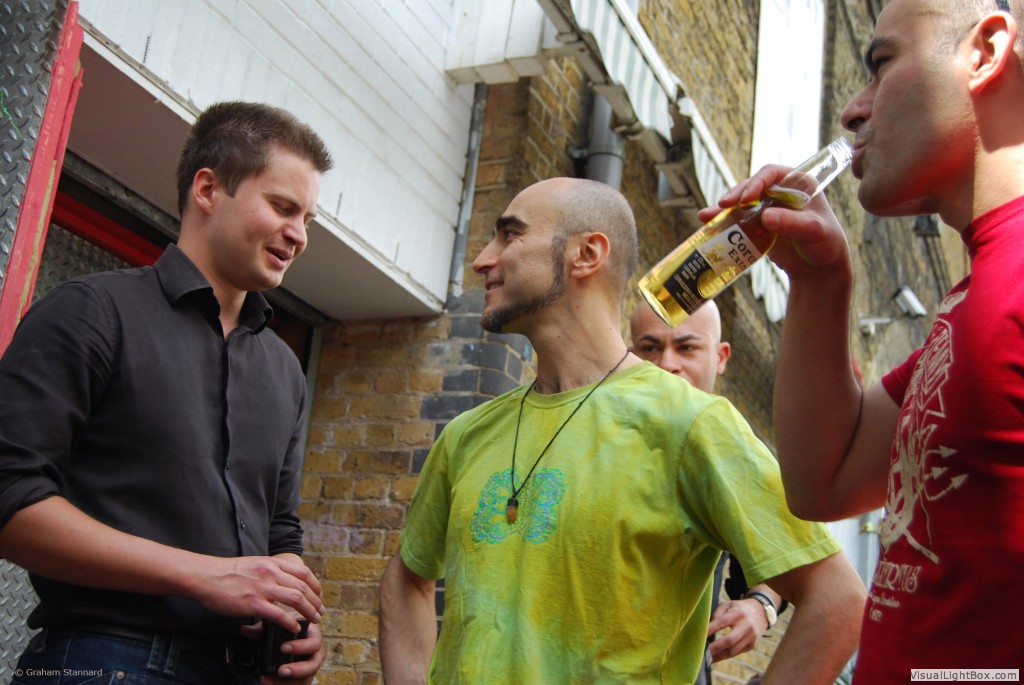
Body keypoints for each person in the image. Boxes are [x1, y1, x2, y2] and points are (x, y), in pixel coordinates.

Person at [378, 176, 865, 684]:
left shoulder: (691, 424)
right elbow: (407, 580)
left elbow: (837, 601)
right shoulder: (465, 435)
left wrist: (761, 605)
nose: (483, 259)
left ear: (586, 254)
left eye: (510, 235)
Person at [703, 0, 1024, 681]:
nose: (852, 110)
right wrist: (820, 280)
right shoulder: (973, 297)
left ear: (986, 51)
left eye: (882, 64)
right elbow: (824, 482)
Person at [0, 101, 334, 684]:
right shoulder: (92, 312)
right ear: (207, 189)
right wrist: (208, 576)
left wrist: (291, 617)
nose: (299, 235)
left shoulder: (285, 369)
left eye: (308, 218)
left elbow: (280, 529)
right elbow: (8, 496)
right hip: (102, 661)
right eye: (283, 207)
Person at [629, 302, 787, 684]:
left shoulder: (735, 457)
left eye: (686, 348)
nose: (667, 364)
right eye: (650, 348)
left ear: (721, 357)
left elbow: (794, 567)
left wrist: (761, 607)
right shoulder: (595, 436)